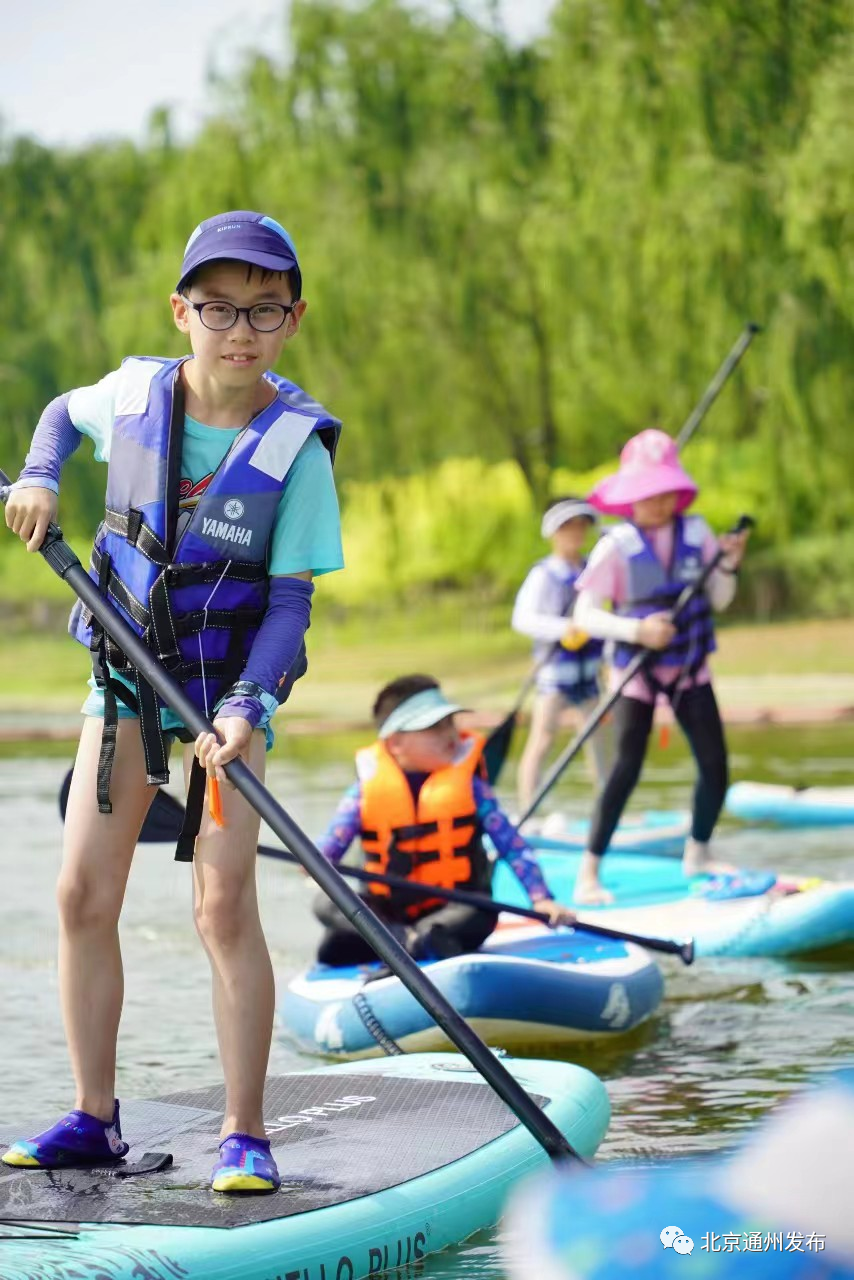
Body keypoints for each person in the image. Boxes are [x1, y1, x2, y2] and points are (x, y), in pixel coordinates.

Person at [2, 211, 344, 1193]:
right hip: (120, 683)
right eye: (219, 308)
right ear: (181, 311)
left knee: (223, 904)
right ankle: (92, 1117)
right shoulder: (132, 395)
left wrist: (245, 706)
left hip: (224, 703)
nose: (240, 329)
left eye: (264, 310)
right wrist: (36, 474)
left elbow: (287, 603)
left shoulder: (298, 453)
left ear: (292, 318)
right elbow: (61, 415)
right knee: (78, 896)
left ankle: (246, 1131)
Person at [570, 429, 749, 905]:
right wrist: (638, 631)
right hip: (636, 670)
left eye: (665, 492)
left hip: (690, 664)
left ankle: (699, 852)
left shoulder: (697, 533)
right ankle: (589, 872)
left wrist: (729, 566)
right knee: (625, 769)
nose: (659, 502)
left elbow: (720, 600)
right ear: (630, 496)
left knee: (715, 766)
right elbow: (584, 615)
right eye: (648, 494)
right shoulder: (615, 546)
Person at [313, 675, 576, 966]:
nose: (449, 734)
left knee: (477, 912)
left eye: (449, 723)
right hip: (389, 914)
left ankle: (408, 940)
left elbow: (511, 845)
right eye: (433, 727)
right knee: (325, 908)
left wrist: (541, 898)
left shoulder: (472, 788)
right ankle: (403, 940)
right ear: (396, 742)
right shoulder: (364, 791)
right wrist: (314, 860)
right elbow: (331, 845)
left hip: (454, 908)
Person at [512, 496, 610, 815]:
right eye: (569, 528)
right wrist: (563, 628)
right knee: (542, 740)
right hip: (556, 674)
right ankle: (528, 810)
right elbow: (523, 619)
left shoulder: (590, 570)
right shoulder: (543, 574)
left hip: (589, 672)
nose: (577, 534)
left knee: (597, 744)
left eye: (582, 528)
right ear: (555, 533)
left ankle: (607, 810)